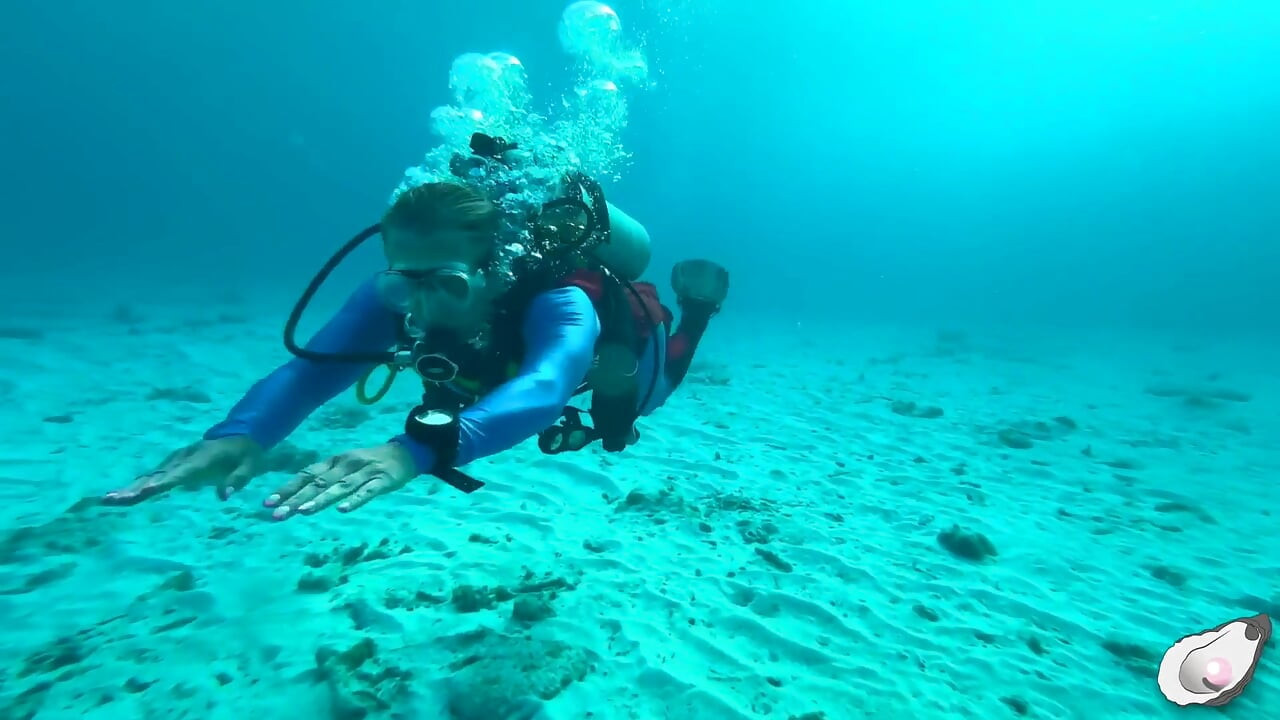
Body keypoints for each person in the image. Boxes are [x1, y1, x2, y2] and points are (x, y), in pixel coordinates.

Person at [103, 138, 729, 520]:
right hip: (492, 380)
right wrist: (239, 437)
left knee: (646, 394)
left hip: (617, 356)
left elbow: (546, 386)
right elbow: (310, 370)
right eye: (406, 282)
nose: (420, 305)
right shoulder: (397, 291)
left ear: (496, 268)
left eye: (448, 284)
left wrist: (417, 450)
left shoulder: (560, 302)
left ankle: (697, 308)